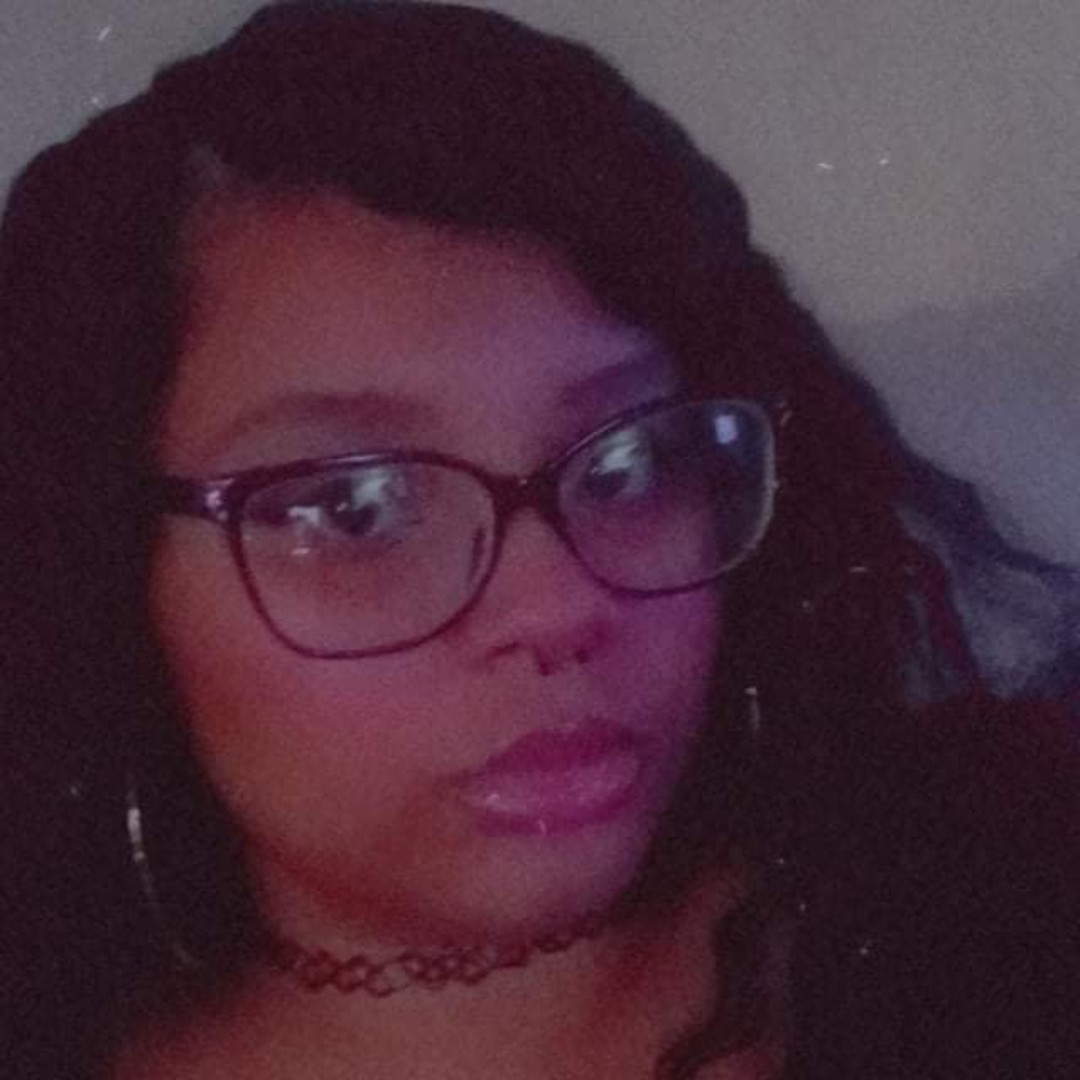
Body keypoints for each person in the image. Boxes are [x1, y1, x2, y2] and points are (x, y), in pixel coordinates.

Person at [1, 3, 1076, 1078]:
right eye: (356, 508)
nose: (558, 608)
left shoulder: (1010, 911)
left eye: (628, 465)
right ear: (110, 582)